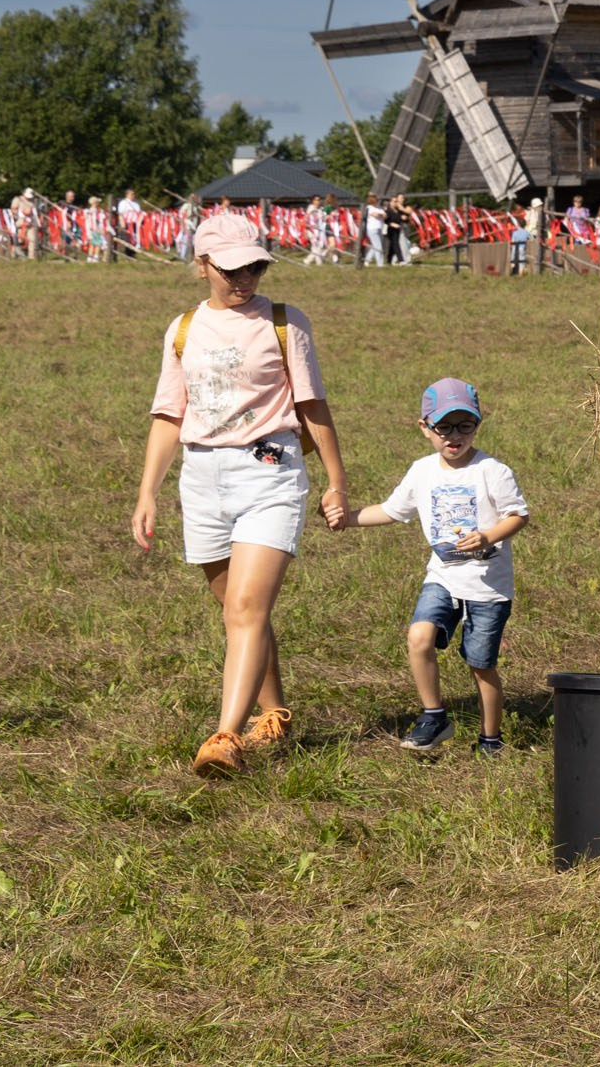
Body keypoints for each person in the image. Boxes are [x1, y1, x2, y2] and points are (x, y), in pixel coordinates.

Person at [130, 213, 351, 778]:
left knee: (248, 610)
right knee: (236, 612)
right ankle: (274, 713)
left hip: (269, 473)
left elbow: (312, 405)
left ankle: (226, 737)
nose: (245, 277)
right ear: (201, 266)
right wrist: (147, 492)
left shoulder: (284, 323)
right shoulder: (182, 329)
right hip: (201, 479)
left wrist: (336, 480)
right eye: (231, 268)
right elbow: (167, 414)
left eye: (254, 265)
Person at [331, 379, 528, 758]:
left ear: (478, 424)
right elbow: (392, 510)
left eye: (464, 425)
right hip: (443, 577)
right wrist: (349, 519)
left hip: (488, 588)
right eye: (444, 427)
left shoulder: (492, 471)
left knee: (480, 663)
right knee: (419, 637)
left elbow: (518, 515)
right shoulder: (422, 471)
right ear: (425, 428)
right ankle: (434, 716)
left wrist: (488, 536)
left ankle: (490, 739)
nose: (455, 436)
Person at [362, 198, 387, 268]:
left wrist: (380, 215)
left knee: (375, 246)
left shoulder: (379, 208)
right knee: (378, 247)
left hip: (380, 228)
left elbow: (385, 216)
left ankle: (367, 259)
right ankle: (380, 264)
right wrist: (381, 215)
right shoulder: (369, 208)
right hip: (372, 229)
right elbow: (374, 215)